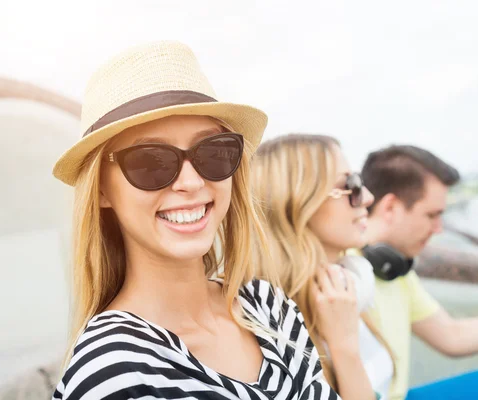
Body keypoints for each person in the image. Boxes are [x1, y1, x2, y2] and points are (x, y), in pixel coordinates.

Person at [51, 40, 366, 400]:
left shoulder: (267, 305)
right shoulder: (111, 371)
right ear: (102, 191)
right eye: (150, 162)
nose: (191, 182)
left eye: (213, 153)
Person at [360, 144, 478, 400]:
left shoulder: (395, 268)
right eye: (432, 215)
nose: (439, 228)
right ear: (390, 207)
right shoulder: (343, 271)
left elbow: (452, 336)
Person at [251, 134, 394, 399]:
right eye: (350, 185)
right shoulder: (274, 326)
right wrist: (344, 348)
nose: (368, 197)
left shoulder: (343, 287)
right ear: (295, 202)